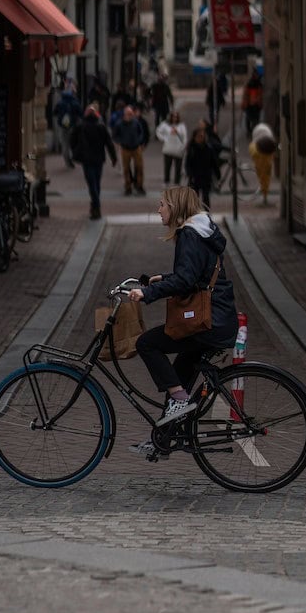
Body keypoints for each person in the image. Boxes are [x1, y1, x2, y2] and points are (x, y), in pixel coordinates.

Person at [128, 186, 238, 450]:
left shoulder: (189, 234)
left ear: (175, 208)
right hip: (218, 319)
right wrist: (165, 278)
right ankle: (165, 439)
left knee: (147, 344)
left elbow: (186, 280)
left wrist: (148, 293)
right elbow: (195, 275)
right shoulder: (202, 232)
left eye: (162, 204)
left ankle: (178, 406)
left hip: (206, 324)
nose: (159, 210)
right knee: (176, 380)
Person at [69, 104, 117, 220]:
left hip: (87, 159)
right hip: (98, 159)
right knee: (96, 182)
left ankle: (96, 206)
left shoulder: (80, 126)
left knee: (92, 183)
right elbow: (109, 143)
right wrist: (113, 157)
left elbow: (72, 139)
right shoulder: (101, 126)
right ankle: (95, 207)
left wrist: (75, 151)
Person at [112, 104, 146, 195]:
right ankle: (128, 187)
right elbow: (115, 135)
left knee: (139, 167)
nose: (130, 116)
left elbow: (141, 132)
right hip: (125, 148)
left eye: (131, 114)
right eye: (128, 114)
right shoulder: (119, 124)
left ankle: (139, 185)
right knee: (126, 169)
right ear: (125, 114)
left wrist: (139, 141)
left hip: (136, 147)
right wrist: (120, 141)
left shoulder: (136, 122)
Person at [185, 125, 220, 207]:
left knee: (206, 197)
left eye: (202, 136)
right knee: (194, 197)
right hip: (195, 177)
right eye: (199, 136)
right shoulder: (192, 149)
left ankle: (207, 214)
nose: (201, 138)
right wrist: (190, 174)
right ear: (195, 137)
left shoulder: (208, 148)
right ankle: (194, 214)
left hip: (206, 176)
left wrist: (217, 174)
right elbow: (187, 164)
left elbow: (214, 162)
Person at [53, 79, 83, 168]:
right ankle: (72, 157)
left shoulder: (60, 102)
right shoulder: (74, 102)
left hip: (62, 125)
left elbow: (55, 112)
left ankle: (67, 159)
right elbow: (80, 113)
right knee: (72, 141)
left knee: (64, 143)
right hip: (72, 125)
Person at [248, 122, 277, 205]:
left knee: (262, 174)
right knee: (265, 175)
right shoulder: (265, 138)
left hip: (260, 150)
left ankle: (264, 193)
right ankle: (265, 193)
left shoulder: (254, 147)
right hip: (262, 150)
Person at [156, 110, 188, 185]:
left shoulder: (181, 126)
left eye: (176, 117)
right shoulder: (165, 125)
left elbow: (185, 136)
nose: (175, 118)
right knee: (167, 166)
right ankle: (166, 180)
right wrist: (164, 139)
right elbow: (158, 131)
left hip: (178, 149)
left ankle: (177, 181)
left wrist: (184, 145)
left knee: (178, 167)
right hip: (168, 148)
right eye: (173, 117)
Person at [241, 67, 263, 138]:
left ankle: (252, 131)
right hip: (251, 105)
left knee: (253, 119)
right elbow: (246, 95)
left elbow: (259, 95)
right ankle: (251, 131)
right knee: (251, 119)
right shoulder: (252, 84)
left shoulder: (256, 84)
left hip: (254, 105)